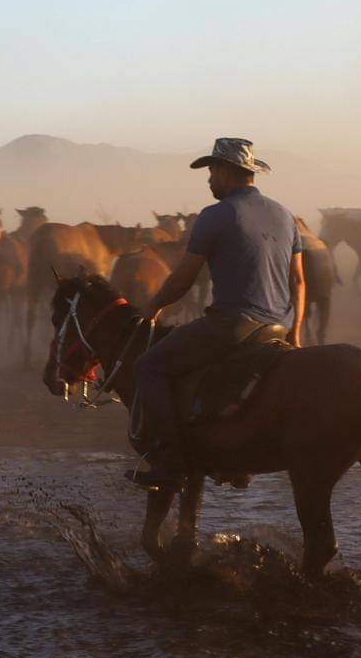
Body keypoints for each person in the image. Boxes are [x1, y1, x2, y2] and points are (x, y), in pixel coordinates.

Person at [128, 137, 305, 488]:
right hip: (276, 330)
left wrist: (152, 308)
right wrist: (295, 332)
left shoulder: (216, 215)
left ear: (226, 172)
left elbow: (184, 278)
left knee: (149, 366)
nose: (209, 179)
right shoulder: (286, 215)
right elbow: (299, 281)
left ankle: (169, 461)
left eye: (211, 171)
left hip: (233, 326)